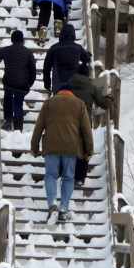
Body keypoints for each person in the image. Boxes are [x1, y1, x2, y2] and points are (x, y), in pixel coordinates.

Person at [30, 83, 93, 224]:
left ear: (58, 92)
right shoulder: (79, 104)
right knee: (68, 177)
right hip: (71, 148)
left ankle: (52, 204)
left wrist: (34, 147)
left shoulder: (49, 103)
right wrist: (89, 150)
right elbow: (86, 130)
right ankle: (63, 208)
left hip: (51, 146)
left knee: (51, 175)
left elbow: (39, 126)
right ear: (70, 93)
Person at [70, 62, 113, 188]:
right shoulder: (91, 86)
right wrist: (109, 99)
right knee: (84, 149)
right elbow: (102, 103)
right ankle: (79, 178)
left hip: (68, 121)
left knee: (70, 147)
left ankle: (68, 175)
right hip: (85, 121)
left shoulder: (69, 83)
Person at [0, 30, 36, 132]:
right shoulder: (28, 53)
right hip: (22, 85)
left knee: (7, 99)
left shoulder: (7, 50)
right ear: (22, 40)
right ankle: (18, 127)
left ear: (12, 39)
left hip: (9, 82)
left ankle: (8, 120)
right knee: (18, 103)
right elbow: (33, 71)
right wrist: (28, 84)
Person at [42, 23, 91, 93]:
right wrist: (88, 55)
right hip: (74, 85)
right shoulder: (77, 48)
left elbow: (46, 68)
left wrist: (47, 84)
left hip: (58, 85)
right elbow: (86, 59)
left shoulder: (54, 48)